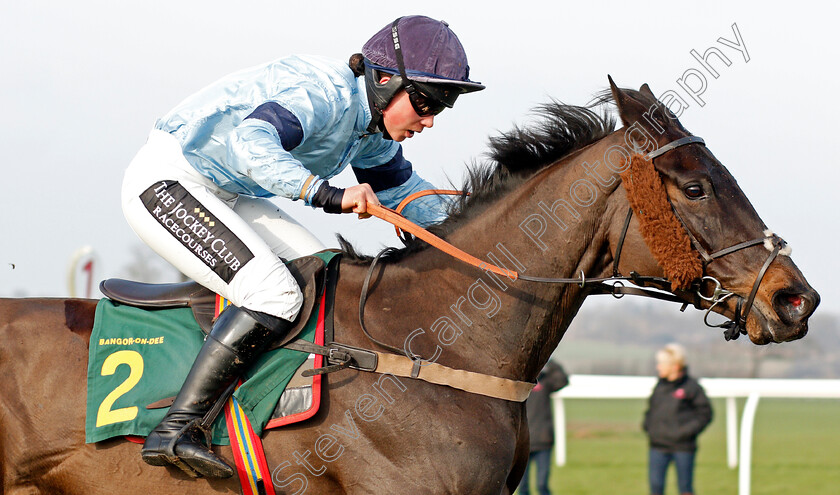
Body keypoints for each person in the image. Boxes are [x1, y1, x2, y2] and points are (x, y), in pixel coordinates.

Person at [120, 15, 484, 479]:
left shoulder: (370, 130)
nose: (429, 120)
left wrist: (474, 230)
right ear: (385, 79)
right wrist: (330, 195)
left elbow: (403, 194)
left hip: (229, 193)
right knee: (275, 294)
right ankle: (176, 428)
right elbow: (250, 144)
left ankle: (276, 418)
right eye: (425, 102)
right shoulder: (322, 92)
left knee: (325, 275)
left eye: (441, 108)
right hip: (168, 182)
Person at [643, 344, 712, 495]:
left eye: (662, 364)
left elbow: (705, 414)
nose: (658, 367)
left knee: (685, 488)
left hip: (683, 447)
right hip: (658, 445)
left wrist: (684, 432)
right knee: (655, 487)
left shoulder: (692, 387)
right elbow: (651, 410)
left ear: (674, 366)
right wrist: (648, 427)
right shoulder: (659, 386)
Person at [518, 360, 569, 495]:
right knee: (522, 487)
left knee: (542, 485)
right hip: (524, 443)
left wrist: (549, 360)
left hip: (543, 441)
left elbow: (563, 380)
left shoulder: (546, 382)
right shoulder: (521, 385)